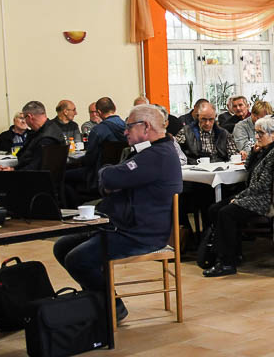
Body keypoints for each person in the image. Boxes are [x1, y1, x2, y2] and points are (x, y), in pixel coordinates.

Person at [53, 105, 181, 321]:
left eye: (129, 127)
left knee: (78, 259)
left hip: (141, 234)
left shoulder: (157, 155)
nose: (124, 132)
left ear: (145, 126)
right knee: (62, 246)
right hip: (125, 225)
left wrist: (113, 179)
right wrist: (113, 178)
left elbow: (110, 177)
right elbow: (109, 176)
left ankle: (113, 306)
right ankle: (100, 300)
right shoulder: (147, 151)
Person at [201, 116, 274, 277]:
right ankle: (232, 252)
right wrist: (254, 153)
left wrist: (239, 198)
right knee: (214, 209)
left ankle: (227, 262)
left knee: (226, 213)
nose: (256, 137)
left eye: (260, 133)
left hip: (264, 200)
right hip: (255, 195)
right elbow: (248, 168)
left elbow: (262, 186)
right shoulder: (265, 150)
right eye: (256, 133)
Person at [69, 96, 126, 198]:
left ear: (99, 112)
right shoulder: (127, 127)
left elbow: (90, 159)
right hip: (121, 172)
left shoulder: (98, 130)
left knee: (65, 176)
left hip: (98, 174)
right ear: (114, 108)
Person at [10, 100, 65, 171]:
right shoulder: (51, 128)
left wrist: (13, 172)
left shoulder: (46, 139)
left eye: (24, 118)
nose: (25, 121)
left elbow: (35, 167)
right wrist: (12, 169)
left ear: (30, 117)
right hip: (40, 175)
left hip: (37, 178)